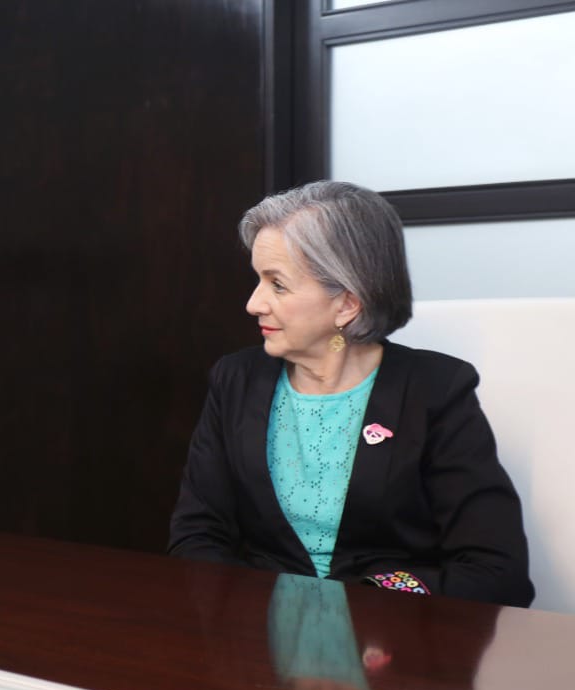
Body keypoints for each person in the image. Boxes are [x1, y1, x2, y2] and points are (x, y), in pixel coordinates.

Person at [168, 180, 532, 606]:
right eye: (258, 280)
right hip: (255, 633)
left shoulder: (436, 391)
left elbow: (496, 570)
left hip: (392, 635)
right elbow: (197, 536)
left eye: (277, 285)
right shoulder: (235, 380)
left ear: (347, 304)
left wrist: (365, 605)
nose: (254, 303)